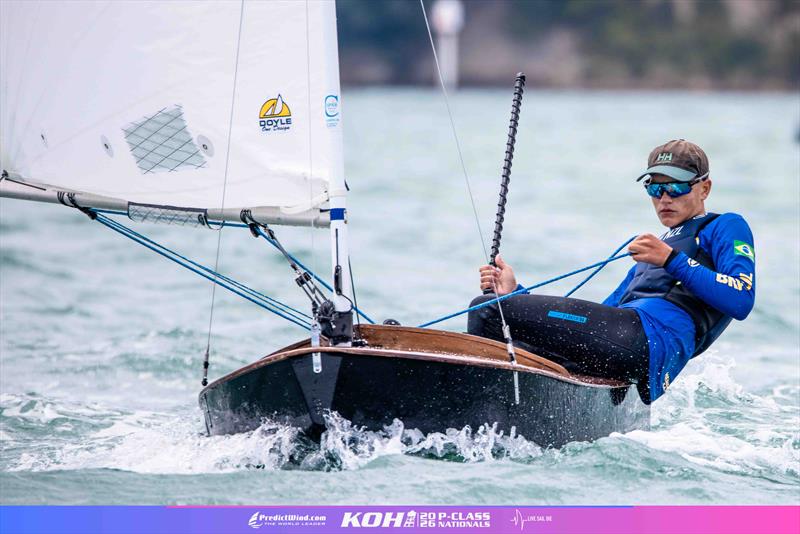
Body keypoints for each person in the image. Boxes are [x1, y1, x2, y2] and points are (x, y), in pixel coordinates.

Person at [467, 139, 756, 403]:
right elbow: (600, 317)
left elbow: (741, 299)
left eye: (676, 187)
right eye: (654, 188)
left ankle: (482, 420)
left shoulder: (724, 226)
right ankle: (511, 418)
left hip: (650, 341)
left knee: (487, 310)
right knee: (511, 332)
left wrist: (671, 260)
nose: (664, 198)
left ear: (705, 188)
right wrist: (515, 293)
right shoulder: (655, 250)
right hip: (623, 338)